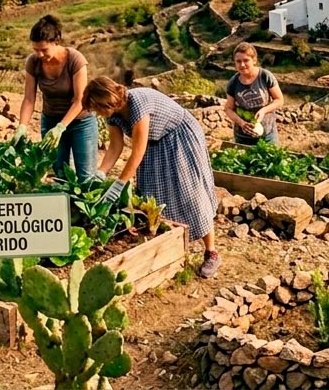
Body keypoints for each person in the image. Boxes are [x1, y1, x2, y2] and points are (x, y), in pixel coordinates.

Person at [85, 76, 221, 279]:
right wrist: (101, 172)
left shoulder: (138, 102)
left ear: (106, 100)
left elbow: (137, 152)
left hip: (179, 137)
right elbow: (115, 147)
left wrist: (119, 184)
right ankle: (169, 249)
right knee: (151, 195)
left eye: (96, 108)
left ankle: (211, 252)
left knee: (190, 192)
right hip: (155, 144)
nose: (96, 113)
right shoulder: (112, 114)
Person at [19, 15, 96, 178]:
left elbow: (79, 100)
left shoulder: (75, 60)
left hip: (80, 122)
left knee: (86, 175)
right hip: (51, 120)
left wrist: (61, 127)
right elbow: (29, 99)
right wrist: (22, 126)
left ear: (56, 42)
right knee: (58, 172)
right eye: (35, 49)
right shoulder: (33, 62)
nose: (39, 54)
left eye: (44, 50)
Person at [223, 43, 284, 145]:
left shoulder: (265, 76)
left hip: (268, 134)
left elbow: (279, 100)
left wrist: (263, 111)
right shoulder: (233, 83)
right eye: (238, 61)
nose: (242, 65)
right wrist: (242, 123)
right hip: (243, 136)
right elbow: (228, 108)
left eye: (246, 60)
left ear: (254, 60)